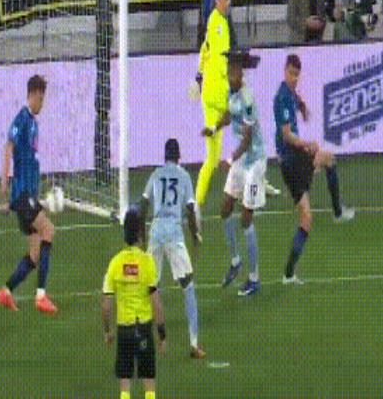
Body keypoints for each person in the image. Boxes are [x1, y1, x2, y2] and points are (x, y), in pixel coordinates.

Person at [273, 55, 355, 285]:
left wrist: (303, 107)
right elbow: (287, 136)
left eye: (296, 74)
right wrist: (307, 144)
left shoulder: (289, 92)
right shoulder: (280, 98)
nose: (294, 78)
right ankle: (337, 212)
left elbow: (296, 98)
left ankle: (288, 274)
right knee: (326, 159)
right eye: (291, 73)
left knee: (307, 218)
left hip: (292, 160)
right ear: (285, 71)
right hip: (291, 160)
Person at [202, 51, 265, 296]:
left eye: (233, 71)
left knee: (246, 218)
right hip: (240, 160)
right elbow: (229, 114)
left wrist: (230, 159)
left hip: (254, 162)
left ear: (240, 73)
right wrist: (214, 127)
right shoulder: (232, 91)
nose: (229, 75)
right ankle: (236, 261)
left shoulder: (247, 98)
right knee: (225, 208)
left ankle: (254, 278)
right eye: (228, 71)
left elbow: (248, 139)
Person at [0, 75, 58, 314]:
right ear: (32, 95)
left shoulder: (33, 122)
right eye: (40, 99)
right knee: (49, 230)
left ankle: (6, 291)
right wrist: (4, 184)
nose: (42, 103)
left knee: (34, 254)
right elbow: (8, 147)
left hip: (28, 195)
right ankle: (41, 295)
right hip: (21, 195)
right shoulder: (22, 118)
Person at [140, 139, 206, 359]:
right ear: (179, 156)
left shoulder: (156, 174)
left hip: (156, 232)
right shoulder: (184, 176)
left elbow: (143, 206)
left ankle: (144, 337)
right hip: (174, 234)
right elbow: (190, 209)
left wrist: (142, 238)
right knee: (188, 286)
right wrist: (195, 235)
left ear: (164, 156)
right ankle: (194, 344)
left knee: (150, 287)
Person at [102, 208, 166, 399]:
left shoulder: (115, 263)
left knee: (125, 382)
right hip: (143, 328)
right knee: (148, 381)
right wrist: (161, 334)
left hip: (124, 330)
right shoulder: (147, 262)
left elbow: (106, 305)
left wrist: (107, 331)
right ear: (139, 232)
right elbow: (156, 302)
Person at [195, 0, 231, 214]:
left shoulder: (220, 23)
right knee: (212, 157)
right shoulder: (216, 22)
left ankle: (197, 203)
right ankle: (196, 204)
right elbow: (217, 58)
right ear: (216, 0)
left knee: (215, 157)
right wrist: (230, 80)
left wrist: (198, 73)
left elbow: (205, 49)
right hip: (214, 97)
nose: (227, 2)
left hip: (218, 95)